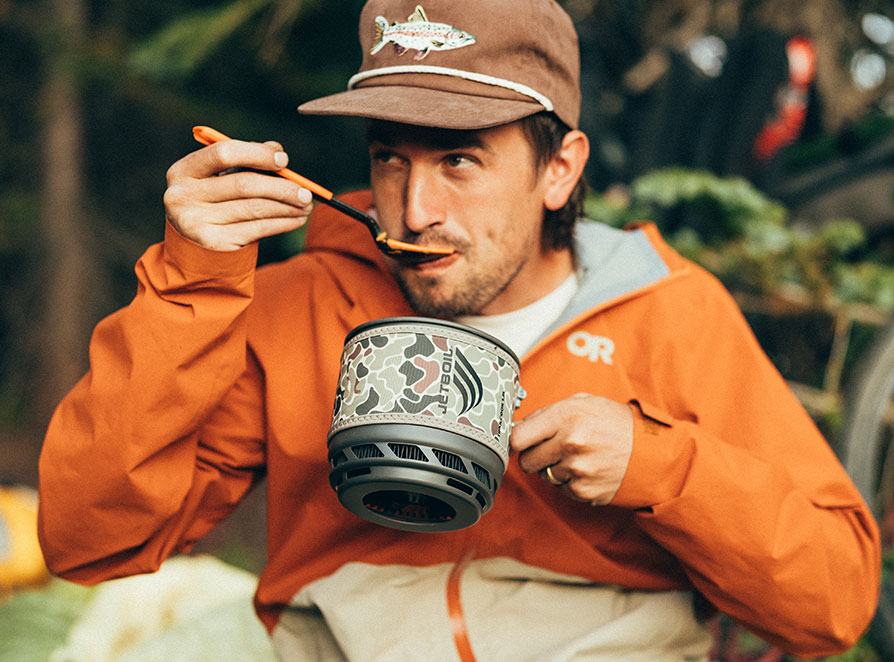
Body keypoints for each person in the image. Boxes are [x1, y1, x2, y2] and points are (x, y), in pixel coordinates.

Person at [37, 0, 880, 660]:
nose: (414, 209)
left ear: (560, 169)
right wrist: (191, 284)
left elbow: (835, 604)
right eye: (390, 156)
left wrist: (659, 463)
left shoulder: (669, 310)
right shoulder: (296, 306)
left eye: (460, 160)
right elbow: (90, 544)